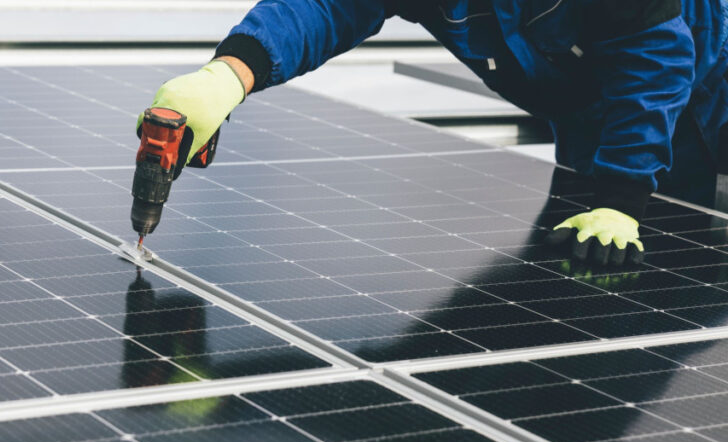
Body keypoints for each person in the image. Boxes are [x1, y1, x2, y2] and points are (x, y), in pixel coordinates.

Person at [139, 0, 728, 267]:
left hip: (701, 86)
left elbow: (653, 60)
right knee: (577, 263)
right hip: (585, 108)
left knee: (665, 260)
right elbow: (324, 7)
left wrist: (622, 198)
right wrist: (230, 74)